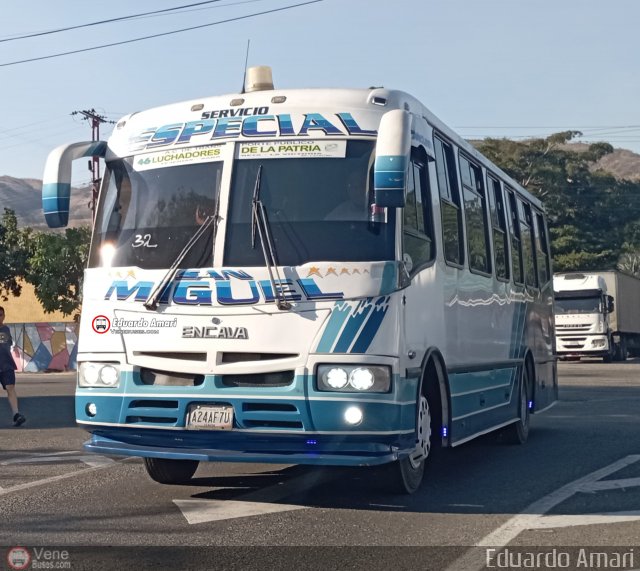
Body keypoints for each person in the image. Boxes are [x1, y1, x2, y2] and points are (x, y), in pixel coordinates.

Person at [0, 307, 25, 427]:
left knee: (10, 387)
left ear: (4, 316)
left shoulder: (6, 329)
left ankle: (16, 414)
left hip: (6, 364)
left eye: (0, 314)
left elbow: (7, 343)